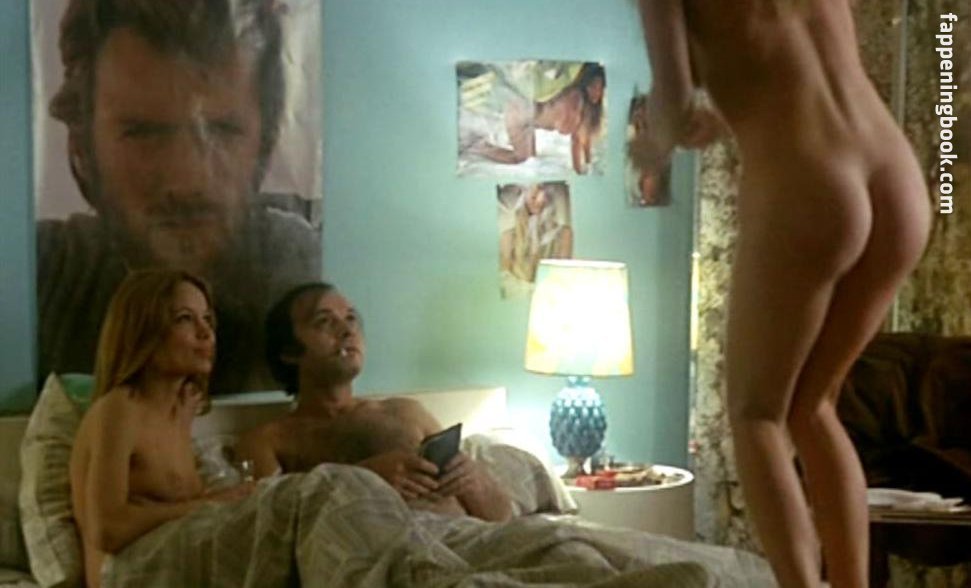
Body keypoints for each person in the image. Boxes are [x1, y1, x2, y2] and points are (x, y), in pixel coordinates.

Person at [636, 1, 931, 587]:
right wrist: (719, 112)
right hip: (896, 177)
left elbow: (672, 103)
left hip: (811, 179)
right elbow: (796, 62)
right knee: (813, 405)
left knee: (757, 415)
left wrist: (651, 143)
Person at [37, 0, 321, 396]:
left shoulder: (300, 271)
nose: (187, 181)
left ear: (266, 141)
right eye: (143, 133)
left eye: (221, 131)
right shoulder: (46, 273)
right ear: (82, 144)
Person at [236, 282, 513, 522]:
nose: (347, 330)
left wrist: (474, 481)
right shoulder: (270, 440)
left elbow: (503, 519)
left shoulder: (407, 413)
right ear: (288, 351)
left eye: (351, 318)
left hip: (471, 539)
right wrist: (364, 479)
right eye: (324, 321)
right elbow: (269, 521)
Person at [69, 269, 254, 588]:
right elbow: (106, 529)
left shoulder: (178, 414)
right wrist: (212, 503)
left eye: (207, 319)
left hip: (177, 565)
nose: (205, 333)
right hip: (124, 577)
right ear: (142, 332)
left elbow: (178, 509)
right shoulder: (118, 409)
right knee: (312, 497)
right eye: (184, 319)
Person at [463, 62, 606, 174]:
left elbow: (577, 138)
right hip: (519, 111)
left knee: (523, 160)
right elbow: (570, 132)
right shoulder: (574, 95)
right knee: (525, 161)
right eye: (597, 87)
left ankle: (478, 146)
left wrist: (583, 166)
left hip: (522, 113)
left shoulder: (577, 99)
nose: (598, 93)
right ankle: (477, 146)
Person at [498, 182, 573, 297]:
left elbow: (563, 278)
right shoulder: (508, 236)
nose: (534, 195)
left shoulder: (564, 234)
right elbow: (504, 278)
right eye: (529, 188)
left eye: (541, 188)